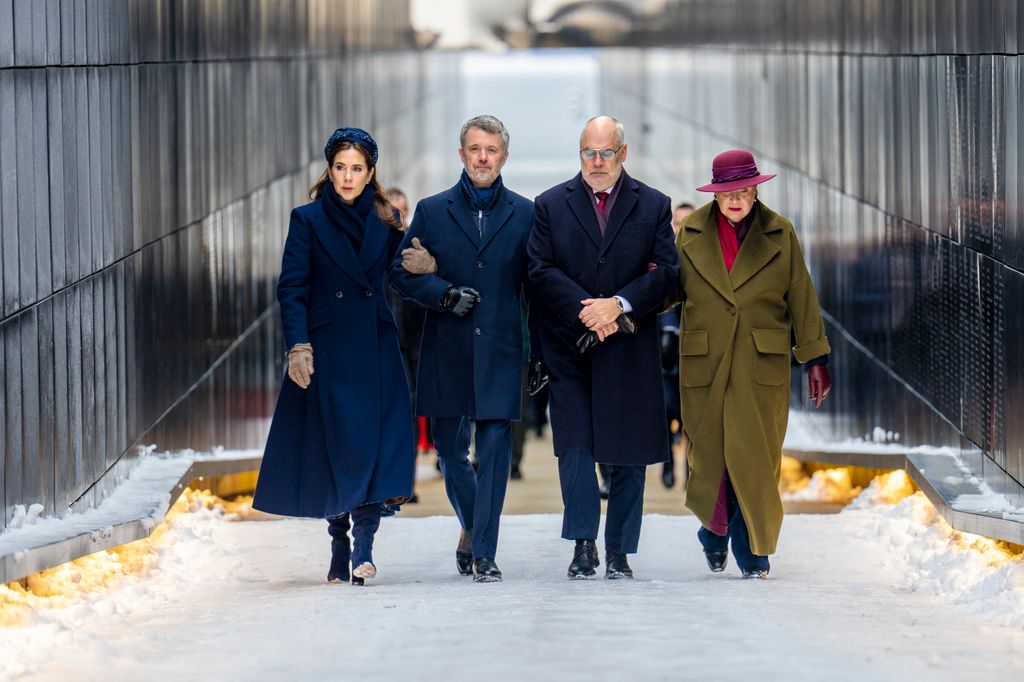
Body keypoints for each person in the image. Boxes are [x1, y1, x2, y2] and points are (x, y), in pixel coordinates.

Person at [253, 128, 414, 586]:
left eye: (357, 168)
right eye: (340, 167)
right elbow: (292, 287)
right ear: (330, 169)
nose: (347, 177)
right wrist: (298, 346)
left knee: (371, 449)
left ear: (371, 173)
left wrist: (420, 266)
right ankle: (339, 539)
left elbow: (399, 276)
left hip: (375, 348)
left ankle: (363, 547)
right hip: (326, 351)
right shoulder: (306, 220)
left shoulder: (388, 219)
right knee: (335, 448)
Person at [528, 115, 680, 580]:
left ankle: (619, 551)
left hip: (629, 347)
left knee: (628, 453)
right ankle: (582, 544)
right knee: (574, 447)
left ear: (623, 153)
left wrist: (618, 305)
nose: (596, 162)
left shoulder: (653, 205)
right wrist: (586, 309)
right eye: (588, 153)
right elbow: (538, 270)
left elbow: (668, 274)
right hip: (569, 347)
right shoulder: (550, 204)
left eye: (605, 152)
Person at [389, 115, 538, 583]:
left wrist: (537, 354)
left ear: (504, 157)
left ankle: (485, 553)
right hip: (447, 351)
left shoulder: (527, 213)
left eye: (491, 150)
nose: (482, 158)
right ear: (461, 155)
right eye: (474, 149)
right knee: (451, 452)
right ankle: (473, 528)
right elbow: (400, 273)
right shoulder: (433, 211)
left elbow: (536, 288)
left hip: (501, 350)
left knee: (493, 452)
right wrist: (442, 293)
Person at [674, 149, 832, 579]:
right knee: (710, 457)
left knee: (754, 458)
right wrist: (622, 305)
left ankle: (753, 553)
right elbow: (667, 288)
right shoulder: (690, 232)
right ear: (716, 194)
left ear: (755, 190)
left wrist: (815, 357)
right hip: (704, 362)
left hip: (759, 363)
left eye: (744, 191)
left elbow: (801, 296)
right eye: (727, 193)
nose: (736, 200)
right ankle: (714, 529)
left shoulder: (780, 233)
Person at [385, 187, 427, 503]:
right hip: (384, 345)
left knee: (409, 413)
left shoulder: (416, 250)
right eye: (392, 210)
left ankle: (404, 483)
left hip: (413, 345)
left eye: (402, 211)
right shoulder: (375, 251)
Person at [659, 201, 694, 489]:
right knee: (667, 409)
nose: (681, 228)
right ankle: (668, 463)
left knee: (692, 416)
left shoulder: (704, 255)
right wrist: (668, 331)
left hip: (696, 351)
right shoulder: (664, 254)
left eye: (687, 222)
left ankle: (689, 467)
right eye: (677, 222)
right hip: (666, 351)